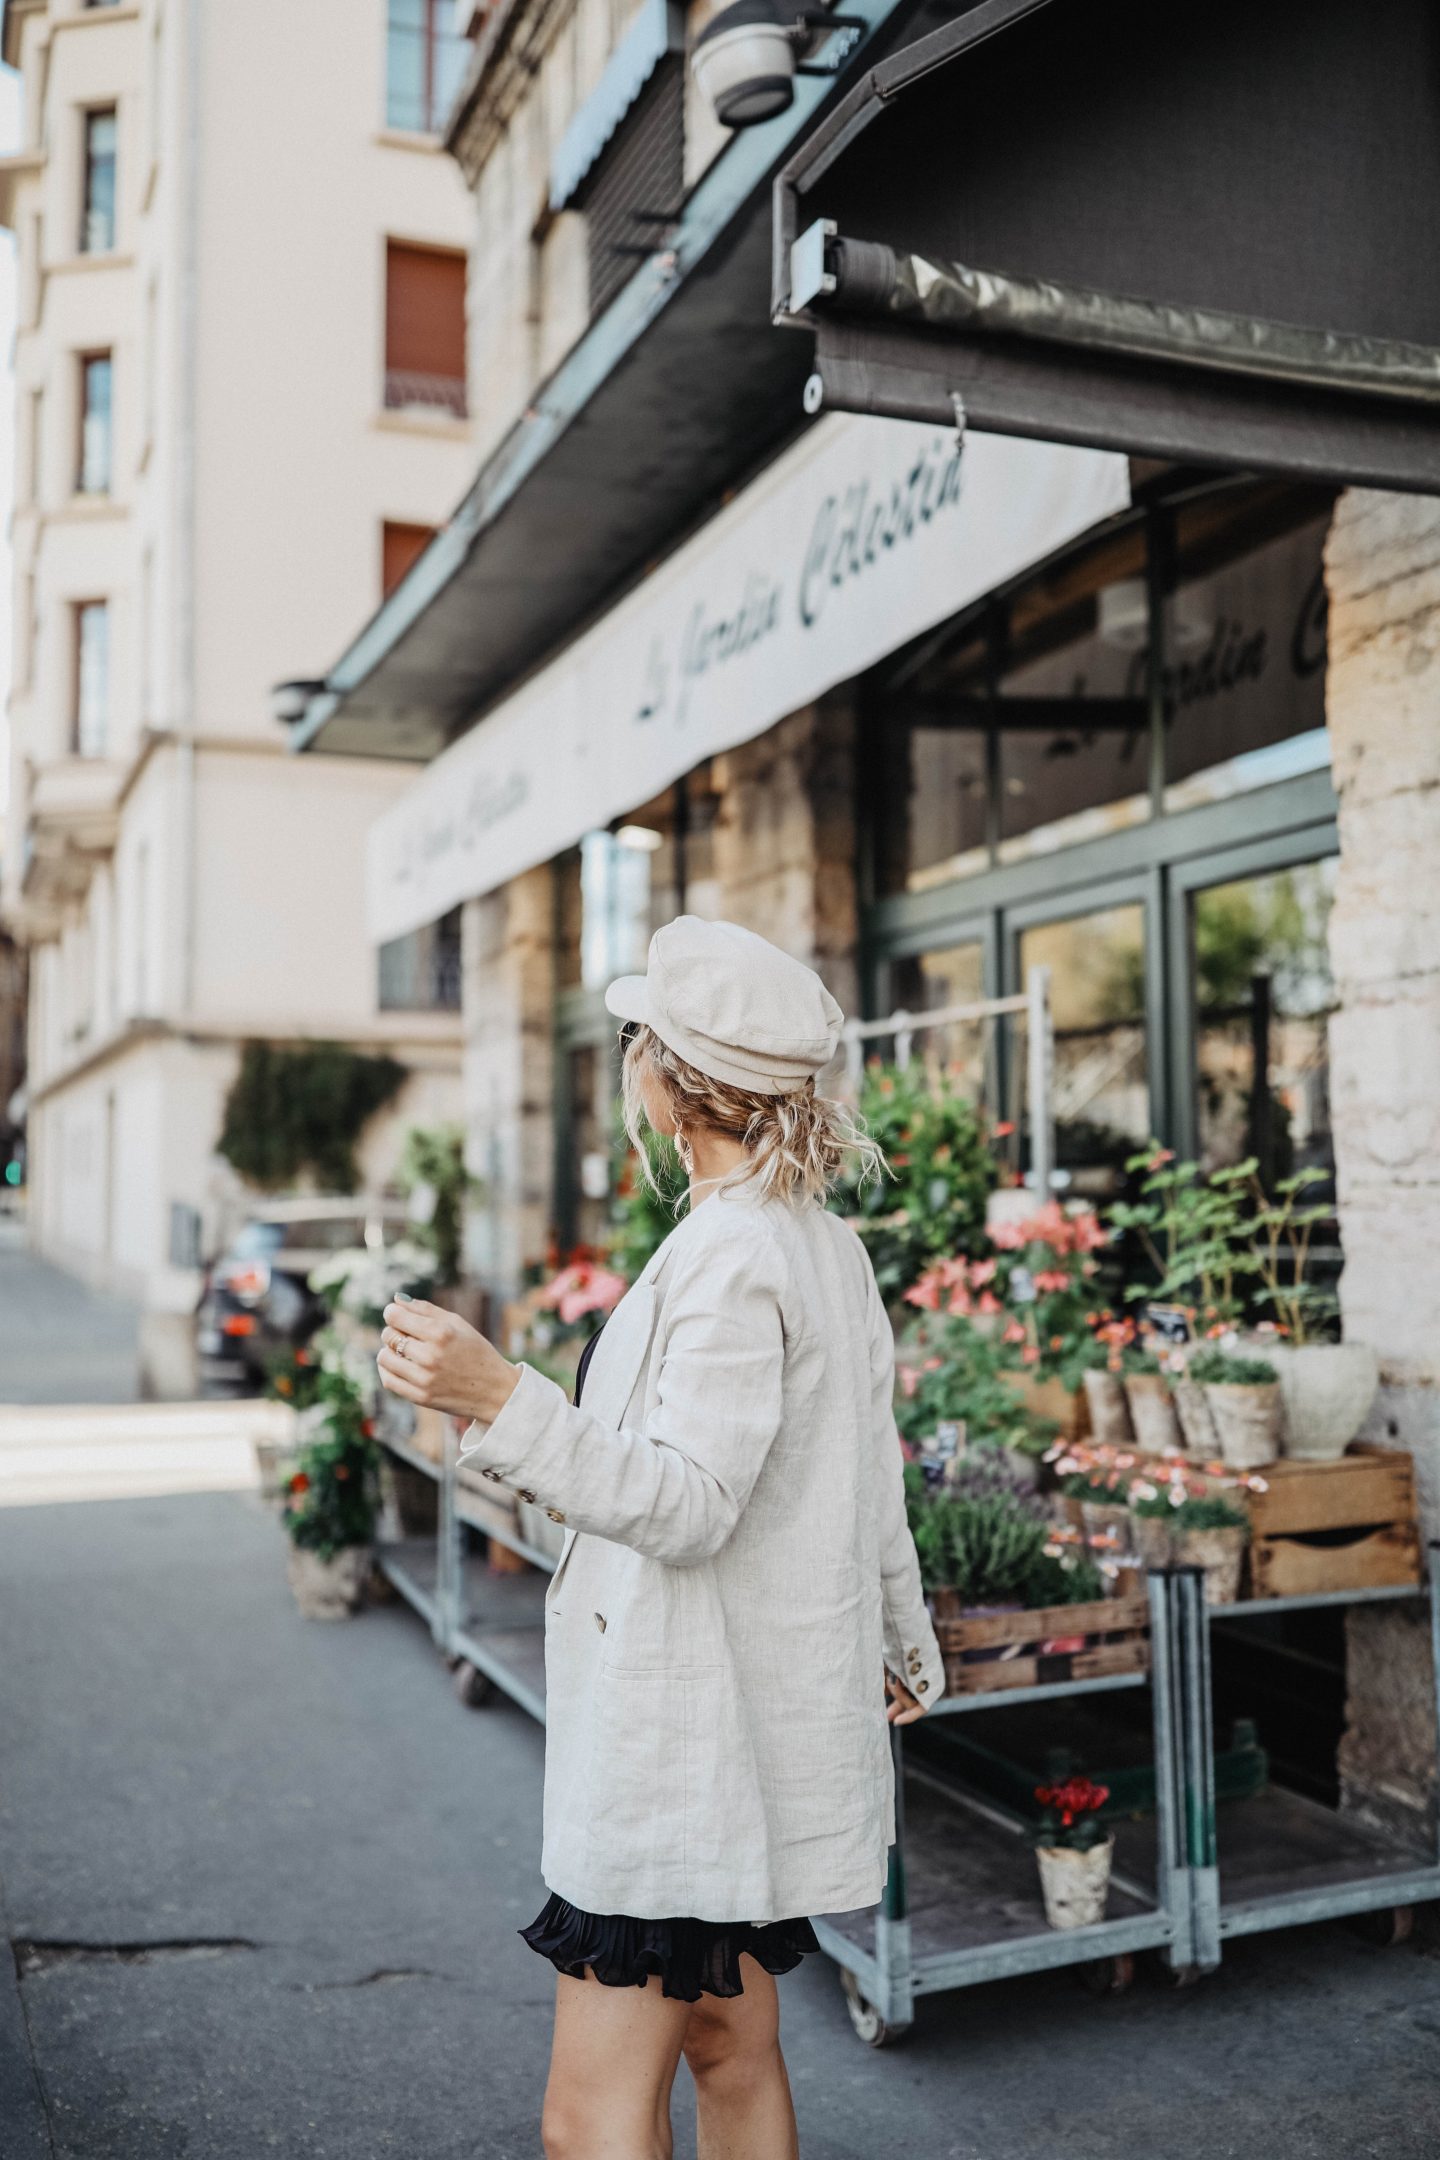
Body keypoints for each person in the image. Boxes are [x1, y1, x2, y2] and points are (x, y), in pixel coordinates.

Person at [378, 916, 945, 2160]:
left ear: (670, 1087)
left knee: (588, 2119)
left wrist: (496, 1397)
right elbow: (869, 1473)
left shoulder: (736, 1252)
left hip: (682, 1742)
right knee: (732, 2052)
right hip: (728, 1728)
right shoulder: (817, 1243)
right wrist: (898, 1635)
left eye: (637, 1041)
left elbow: (688, 1503)